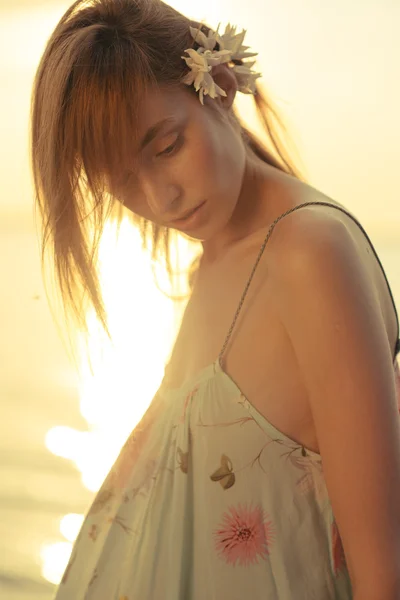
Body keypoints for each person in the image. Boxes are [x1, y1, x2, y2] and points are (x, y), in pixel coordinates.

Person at [29, 0, 400, 598]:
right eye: (122, 181)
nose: (161, 198)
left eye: (167, 146)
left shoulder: (309, 252)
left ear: (220, 86)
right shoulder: (218, 257)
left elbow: (383, 579)